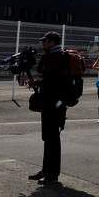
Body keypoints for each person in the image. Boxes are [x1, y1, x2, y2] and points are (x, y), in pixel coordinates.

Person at [28, 31, 70, 186]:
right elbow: (47, 77)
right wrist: (38, 82)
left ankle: (52, 174)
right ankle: (47, 170)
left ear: (52, 42)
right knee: (48, 137)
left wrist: (39, 82)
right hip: (53, 100)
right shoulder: (55, 56)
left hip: (55, 102)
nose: (42, 44)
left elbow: (51, 79)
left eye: (44, 41)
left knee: (52, 137)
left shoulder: (56, 56)